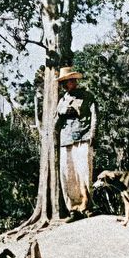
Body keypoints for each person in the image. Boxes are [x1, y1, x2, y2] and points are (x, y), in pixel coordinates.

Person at [55, 66, 97, 223]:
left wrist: (93, 132)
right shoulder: (62, 100)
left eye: (70, 80)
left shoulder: (86, 96)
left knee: (84, 172)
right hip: (66, 139)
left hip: (83, 136)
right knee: (68, 175)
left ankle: (87, 206)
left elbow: (94, 115)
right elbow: (57, 120)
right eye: (65, 82)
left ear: (75, 81)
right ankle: (74, 208)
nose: (68, 84)